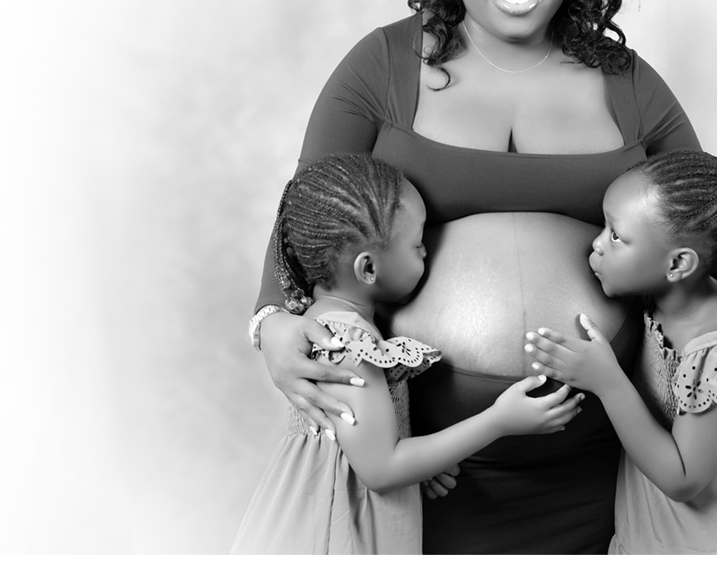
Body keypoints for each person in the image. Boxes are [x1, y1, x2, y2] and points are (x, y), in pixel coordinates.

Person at [246, 0, 717, 553]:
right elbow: (305, 219)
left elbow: (707, 225)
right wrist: (271, 325)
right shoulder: (379, 69)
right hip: (418, 473)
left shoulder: (629, 84)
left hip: (609, 468)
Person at [231, 154, 587, 554]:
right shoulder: (347, 342)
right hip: (342, 531)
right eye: (418, 244)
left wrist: (420, 458)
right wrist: (498, 421)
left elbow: (364, 445)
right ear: (369, 269)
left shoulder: (325, 320)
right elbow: (382, 468)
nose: (425, 254)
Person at [526, 151, 717, 554]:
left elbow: (685, 478)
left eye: (616, 236)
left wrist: (608, 382)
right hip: (666, 526)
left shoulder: (716, 345)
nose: (597, 244)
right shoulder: (660, 294)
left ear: (677, 264)